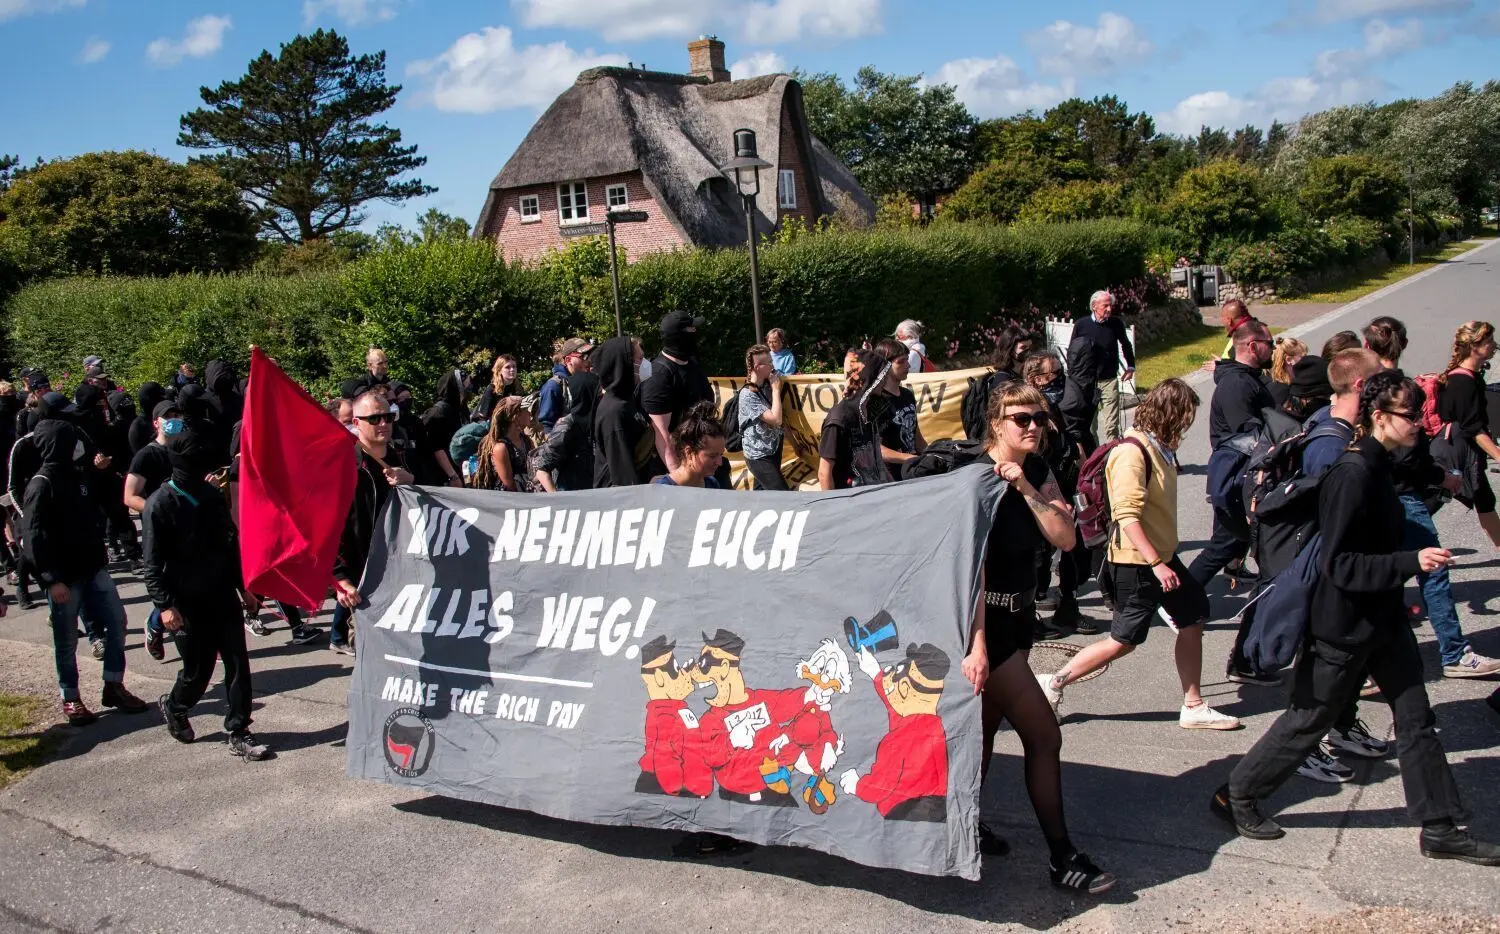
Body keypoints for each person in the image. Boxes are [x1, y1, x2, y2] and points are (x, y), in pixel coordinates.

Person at [1213, 370, 1499, 866]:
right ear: (1380, 417)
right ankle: (1237, 794)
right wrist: (1413, 562)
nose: (1421, 425)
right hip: (1342, 624)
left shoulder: (1381, 461)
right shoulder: (1352, 473)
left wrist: (1446, 478)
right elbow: (1338, 563)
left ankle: (1440, 829)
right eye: (1412, 416)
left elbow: (1417, 471)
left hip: (1382, 617)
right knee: (1311, 717)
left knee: (1416, 718)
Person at [965, 380, 1113, 893]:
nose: (1033, 427)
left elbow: (1066, 537)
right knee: (1044, 735)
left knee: (982, 737)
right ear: (996, 423)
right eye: (1021, 419)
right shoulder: (972, 477)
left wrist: (1026, 487)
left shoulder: (1037, 471)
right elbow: (969, 570)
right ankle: (1062, 856)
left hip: (1020, 621)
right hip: (988, 630)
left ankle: (965, 826)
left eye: (1039, 419)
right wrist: (978, 645)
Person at [1039, 379, 1241, 731]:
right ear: (1169, 414)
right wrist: (1157, 563)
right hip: (1138, 563)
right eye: (1185, 418)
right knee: (1123, 641)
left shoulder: (1157, 447)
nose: (1186, 426)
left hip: (1160, 558)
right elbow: (1126, 516)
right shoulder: (1132, 453)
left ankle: (1193, 705)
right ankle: (1053, 683)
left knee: (1193, 617)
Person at [1364, 318, 1500, 679]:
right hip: (1403, 496)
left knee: (1381, 577)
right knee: (1431, 570)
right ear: (1402, 343)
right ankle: (1453, 654)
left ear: (1367, 347)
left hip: (1377, 493)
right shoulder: (1400, 388)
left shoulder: (1369, 388)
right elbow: (1411, 454)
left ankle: (1369, 663)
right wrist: (1442, 475)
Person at [145, 426, 270, 760]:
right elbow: (152, 565)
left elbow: (229, 547)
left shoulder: (212, 496)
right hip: (185, 603)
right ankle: (176, 706)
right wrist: (165, 606)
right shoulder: (159, 504)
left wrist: (244, 587)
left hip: (221, 596)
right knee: (197, 671)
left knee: (237, 664)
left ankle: (239, 729)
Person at [22, 417, 148, 725]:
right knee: (66, 641)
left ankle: (114, 684)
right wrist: (50, 580)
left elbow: (106, 500)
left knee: (117, 621)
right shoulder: (42, 484)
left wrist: (102, 470)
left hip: (94, 568)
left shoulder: (79, 475)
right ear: (56, 445)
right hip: (64, 578)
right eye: (71, 441)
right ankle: (71, 697)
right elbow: (32, 537)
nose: (78, 446)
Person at [1188, 319, 1275, 633]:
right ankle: (1179, 603)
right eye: (1269, 343)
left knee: (1230, 543)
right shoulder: (1238, 385)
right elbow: (1246, 436)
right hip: (1237, 479)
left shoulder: (1245, 378)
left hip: (1237, 478)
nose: (1273, 348)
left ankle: (1183, 602)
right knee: (1225, 546)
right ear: (1252, 346)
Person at [331, 391, 415, 655]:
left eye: (388, 417)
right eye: (374, 418)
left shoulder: (403, 456)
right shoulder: (344, 465)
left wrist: (412, 480)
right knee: (373, 657)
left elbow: (440, 499)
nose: (383, 423)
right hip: (364, 579)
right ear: (356, 423)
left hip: (407, 574)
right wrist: (339, 579)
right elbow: (328, 527)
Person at [1023, 350, 1091, 636]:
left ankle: (1068, 606)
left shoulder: (1058, 408)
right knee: (1036, 554)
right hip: (1038, 490)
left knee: (1075, 548)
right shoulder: (1026, 412)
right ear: (1036, 379)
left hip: (1066, 485)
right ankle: (1030, 615)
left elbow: (1072, 442)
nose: (1060, 380)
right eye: (1053, 375)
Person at [126, 400, 181, 661]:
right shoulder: (147, 455)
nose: (173, 419)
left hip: (188, 526)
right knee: (172, 584)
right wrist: (156, 511)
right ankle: (156, 624)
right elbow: (129, 496)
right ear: (156, 422)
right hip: (160, 529)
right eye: (167, 416)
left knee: (188, 583)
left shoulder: (184, 449)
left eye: (176, 414)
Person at [1437, 320, 1500, 548]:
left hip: (1462, 450)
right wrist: (1498, 454)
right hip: (1454, 451)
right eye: (1489, 341)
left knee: (1483, 499)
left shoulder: (1470, 377)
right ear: (1474, 346)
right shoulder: (1462, 382)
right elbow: (1473, 428)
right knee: (1431, 501)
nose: (1494, 345)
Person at [640, 314, 714, 478]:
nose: (695, 331)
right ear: (678, 335)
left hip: (705, 459)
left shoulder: (692, 364)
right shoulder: (659, 375)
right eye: (691, 328)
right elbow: (661, 434)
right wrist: (678, 475)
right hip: (683, 467)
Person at [818, 350, 893, 490]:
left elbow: (877, 461)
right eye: (882, 376)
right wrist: (833, 510)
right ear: (869, 378)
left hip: (873, 496)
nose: (884, 381)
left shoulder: (869, 413)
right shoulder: (839, 419)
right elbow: (824, 473)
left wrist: (892, 486)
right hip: (849, 502)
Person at [1071, 291, 1136, 443]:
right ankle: (1095, 460)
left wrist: (1131, 366)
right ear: (1094, 306)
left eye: (1110, 306)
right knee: (1089, 426)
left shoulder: (1116, 323)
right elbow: (1073, 351)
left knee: (1111, 425)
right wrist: (1075, 376)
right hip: (1087, 382)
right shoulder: (1081, 325)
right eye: (1105, 306)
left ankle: (1112, 460)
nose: (1109, 309)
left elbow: (1126, 345)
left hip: (1109, 380)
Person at [592, 337, 644, 488]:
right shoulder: (613, 412)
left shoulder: (627, 400)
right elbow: (624, 476)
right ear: (625, 364)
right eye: (640, 358)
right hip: (617, 500)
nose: (644, 364)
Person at [533, 371, 598, 493]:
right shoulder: (566, 426)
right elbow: (542, 470)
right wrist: (557, 501)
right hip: (570, 496)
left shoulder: (595, 421)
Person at [738, 344, 786, 491]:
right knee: (783, 495)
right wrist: (776, 390)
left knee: (762, 496)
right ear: (758, 366)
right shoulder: (747, 395)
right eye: (769, 362)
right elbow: (776, 419)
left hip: (772, 451)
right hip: (759, 456)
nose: (773, 366)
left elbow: (780, 422)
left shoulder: (765, 387)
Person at [874, 338, 926, 468]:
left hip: (913, 468)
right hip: (891, 476)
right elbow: (874, 449)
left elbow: (916, 435)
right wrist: (908, 458)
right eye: (901, 361)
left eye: (907, 359)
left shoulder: (907, 394)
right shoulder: (875, 402)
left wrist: (932, 455)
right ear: (884, 366)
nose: (907, 365)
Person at [651, 402, 725, 488]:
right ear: (689, 452)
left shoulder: (712, 484)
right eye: (712, 456)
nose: (720, 463)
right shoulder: (663, 489)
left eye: (721, 455)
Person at [474, 398, 535, 492]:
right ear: (515, 416)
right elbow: (509, 485)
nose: (530, 414)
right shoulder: (501, 448)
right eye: (526, 410)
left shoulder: (526, 441)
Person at [421, 369, 468, 488]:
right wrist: (453, 476)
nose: (468, 391)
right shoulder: (437, 413)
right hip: (445, 476)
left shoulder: (459, 410)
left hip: (459, 471)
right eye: (465, 387)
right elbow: (436, 447)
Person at [539, 339, 593, 434]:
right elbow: (547, 427)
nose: (588, 361)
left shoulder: (586, 381)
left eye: (589, 356)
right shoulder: (553, 386)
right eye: (583, 356)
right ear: (568, 360)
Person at [1267, 337, 1307, 408]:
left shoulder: (1270, 384)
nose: (1306, 361)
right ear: (1289, 360)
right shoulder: (1284, 394)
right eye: (1302, 358)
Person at [129, 382, 167, 455]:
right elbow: (140, 456)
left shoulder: (163, 417)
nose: (163, 400)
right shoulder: (138, 426)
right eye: (160, 397)